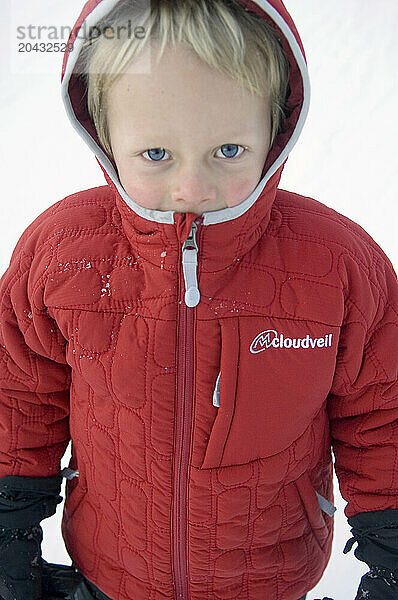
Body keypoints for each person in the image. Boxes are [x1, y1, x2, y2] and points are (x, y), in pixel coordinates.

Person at [0, 1, 397, 599]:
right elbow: (19, 397)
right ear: (104, 136)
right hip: (113, 573)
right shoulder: (63, 253)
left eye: (229, 151)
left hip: (269, 578)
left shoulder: (335, 264)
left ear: (276, 129)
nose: (193, 187)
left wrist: (392, 555)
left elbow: (383, 412)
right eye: (156, 154)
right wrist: (8, 534)